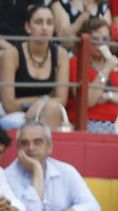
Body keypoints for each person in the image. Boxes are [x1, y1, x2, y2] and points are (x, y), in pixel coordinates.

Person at [2, 120, 101, 211]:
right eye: (24, 143)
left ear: (49, 147)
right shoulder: (8, 175)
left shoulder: (66, 172)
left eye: (38, 142)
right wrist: (37, 170)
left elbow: (94, 208)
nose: (30, 148)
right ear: (18, 149)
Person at [1, 4, 70, 132]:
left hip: (48, 113)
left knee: (52, 109)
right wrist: (42, 101)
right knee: (50, 108)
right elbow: (9, 104)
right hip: (15, 115)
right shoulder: (12, 54)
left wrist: (42, 103)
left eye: (49, 23)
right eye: (39, 22)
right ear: (28, 27)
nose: (45, 27)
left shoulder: (61, 54)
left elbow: (62, 99)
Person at [67, 16, 118, 132]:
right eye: (96, 40)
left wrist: (108, 96)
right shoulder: (76, 63)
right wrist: (106, 69)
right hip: (91, 122)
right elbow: (88, 101)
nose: (101, 44)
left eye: (105, 39)